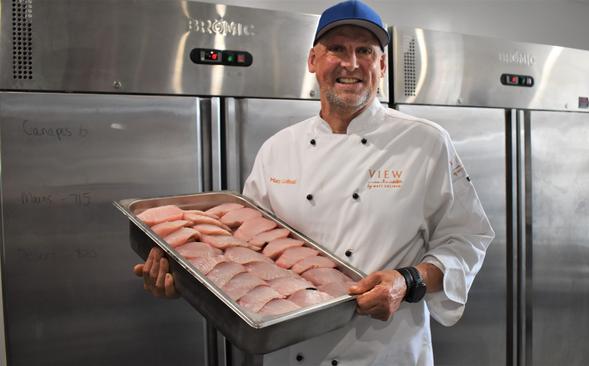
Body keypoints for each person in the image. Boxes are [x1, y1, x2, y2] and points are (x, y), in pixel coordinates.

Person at [134, 0, 494, 364]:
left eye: (365, 51)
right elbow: (240, 248)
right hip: (292, 351)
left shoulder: (426, 141)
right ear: (313, 60)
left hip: (385, 352)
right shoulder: (278, 148)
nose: (351, 63)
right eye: (337, 48)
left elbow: (467, 238)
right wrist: (189, 278)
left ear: (381, 65)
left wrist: (409, 281)